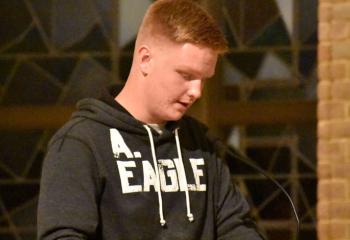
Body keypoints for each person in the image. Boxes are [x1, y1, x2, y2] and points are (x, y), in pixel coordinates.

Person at [37, 0, 263, 239]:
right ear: (145, 59)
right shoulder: (81, 143)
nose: (197, 91)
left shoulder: (200, 142)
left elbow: (236, 228)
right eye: (186, 75)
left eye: (204, 79)